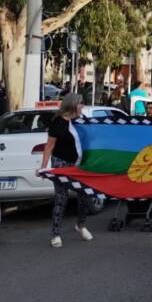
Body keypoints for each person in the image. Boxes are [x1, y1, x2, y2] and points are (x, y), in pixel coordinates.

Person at [37, 94, 93, 248]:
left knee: (85, 195)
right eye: (81, 104)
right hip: (60, 163)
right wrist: (44, 167)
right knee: (61, 198)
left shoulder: (81, 122)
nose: (83, 107)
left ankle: (80, 225)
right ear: (73, 105)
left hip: (78, 164)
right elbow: (49, 145)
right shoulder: (58, 122)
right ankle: (56, 234)